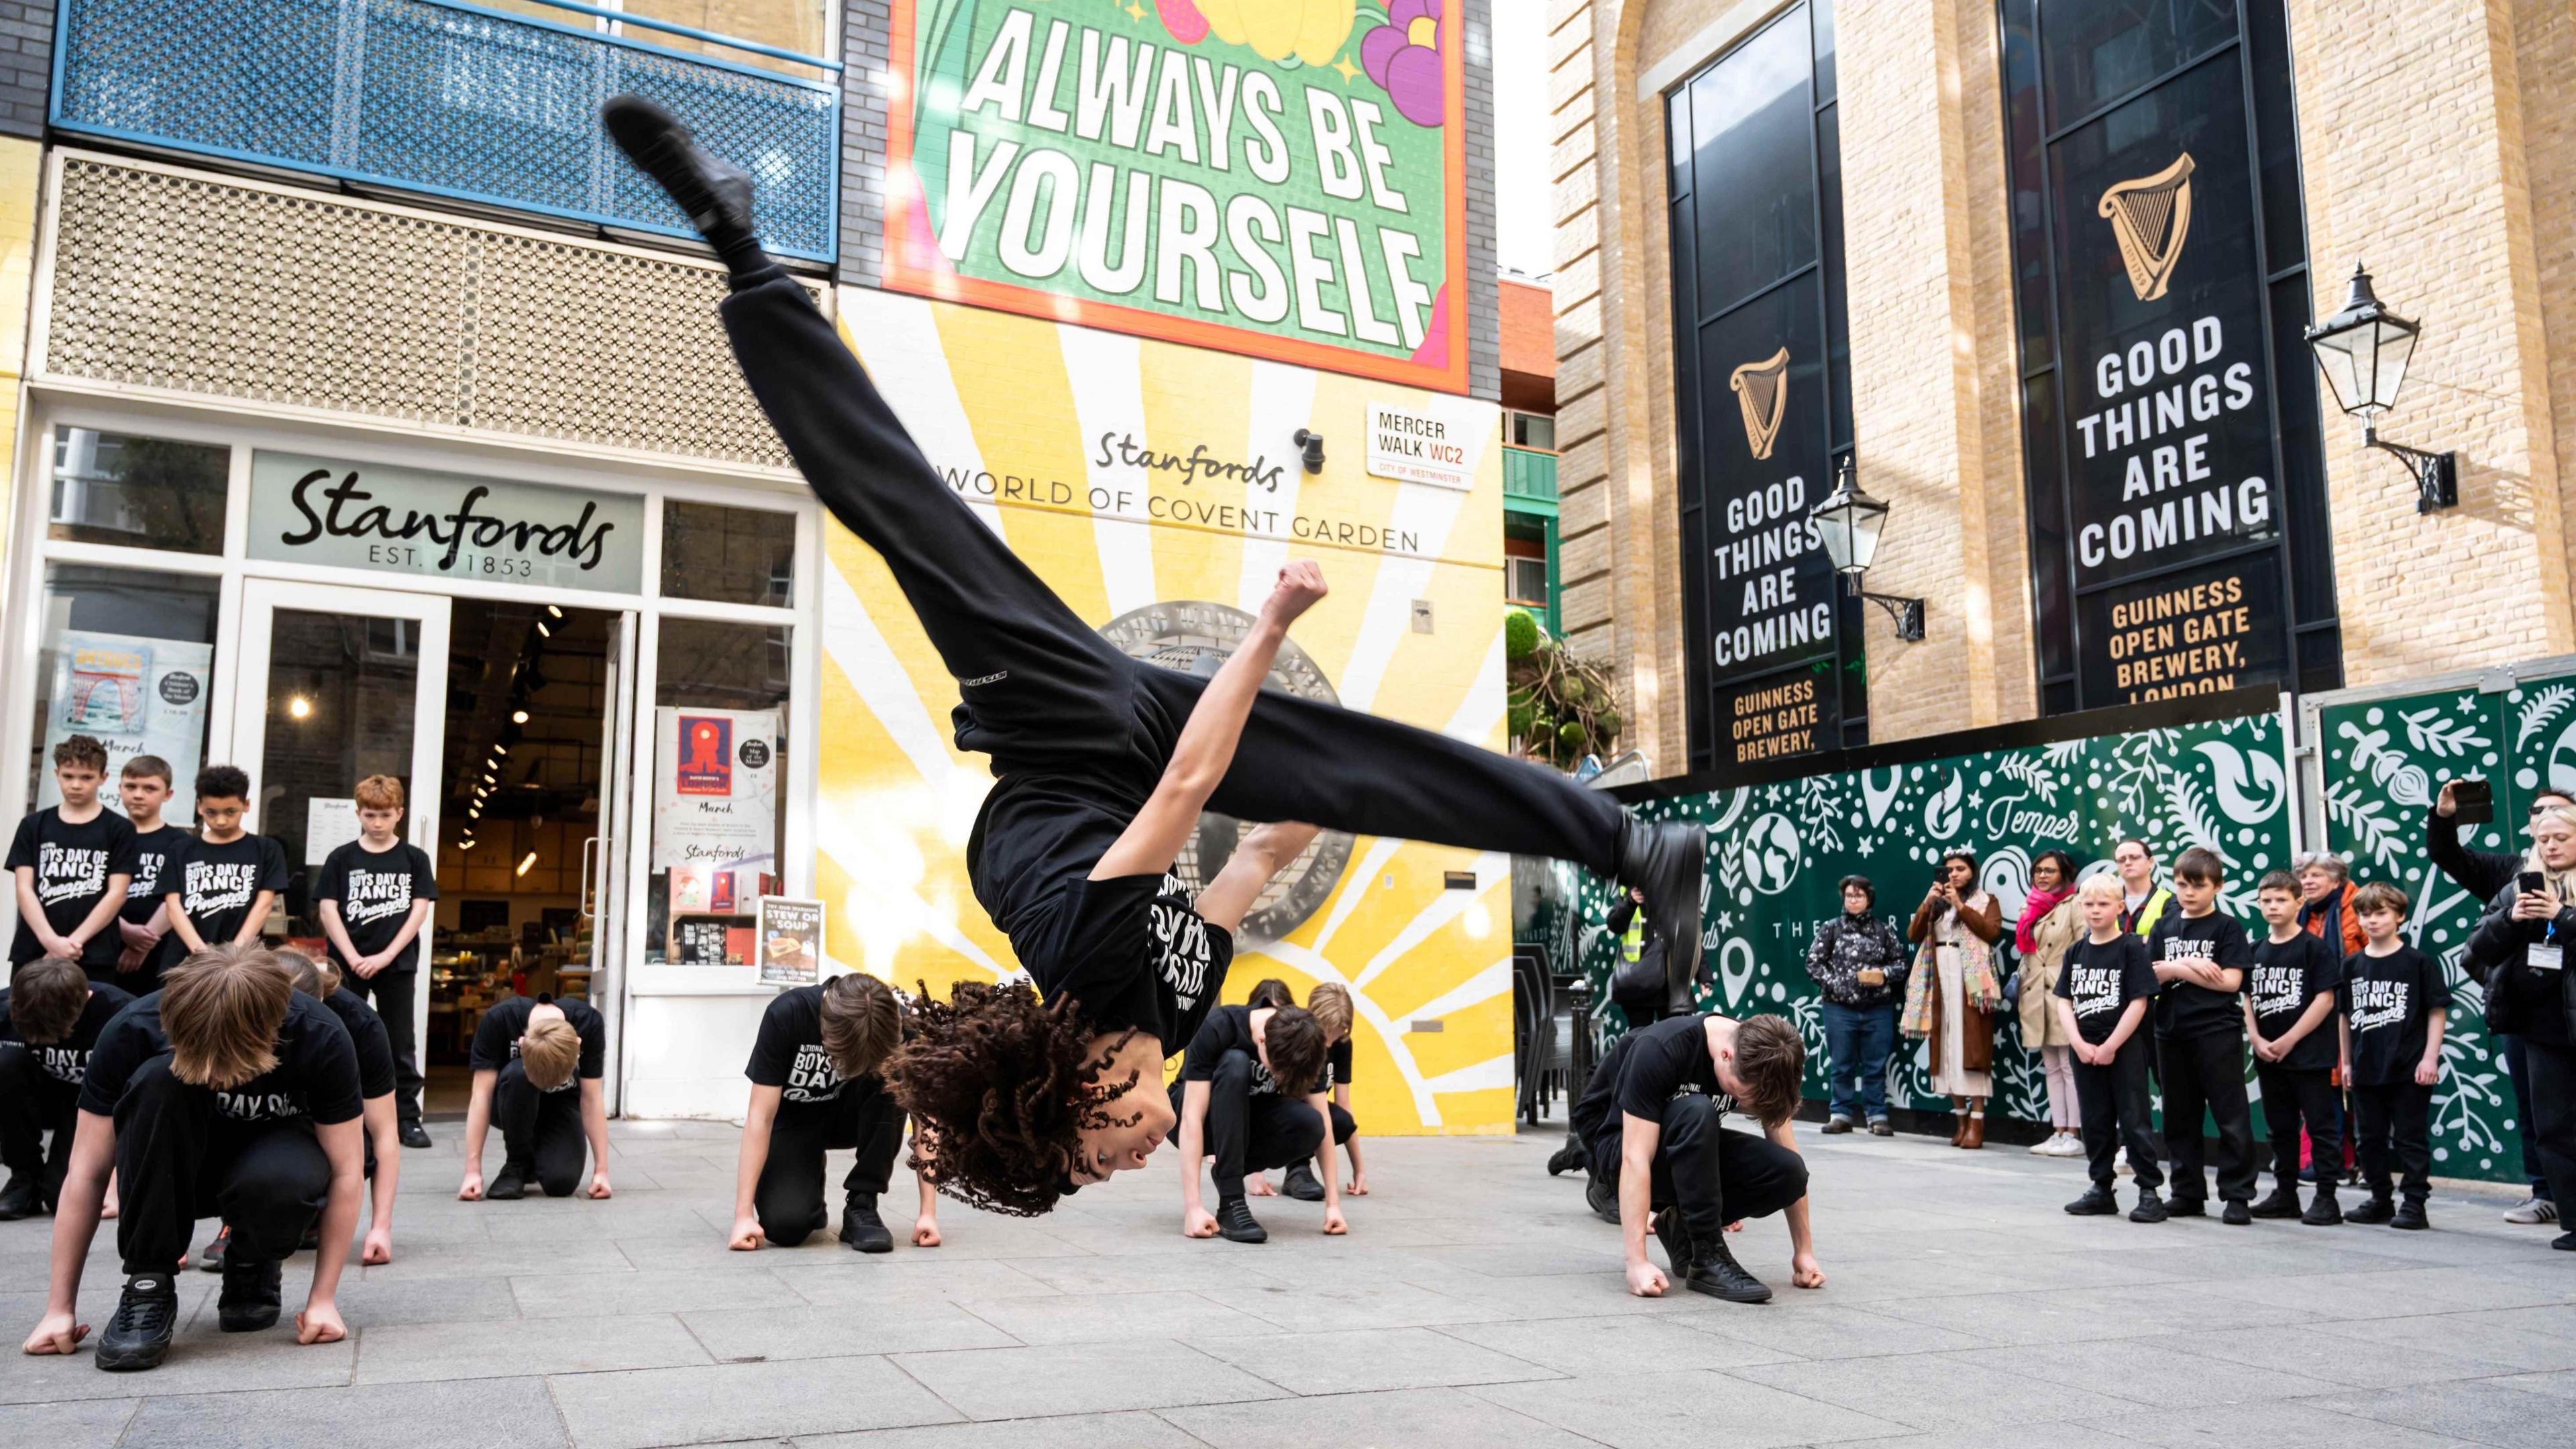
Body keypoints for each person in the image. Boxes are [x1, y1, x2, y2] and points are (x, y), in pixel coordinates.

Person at [605, 98, 1710, 1218]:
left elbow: (1190, 783)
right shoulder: (1175, 1022)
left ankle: (738, 247)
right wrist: (1332, 777)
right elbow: (1251, 865)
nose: (1127, 1163)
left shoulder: (1089, 966)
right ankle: (1636, 843)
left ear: (1073, 1095)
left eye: (1098, 1155)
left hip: (1054, 719)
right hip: (1125, 747)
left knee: (895, 513)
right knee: (1375, 772)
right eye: (1117, 1170)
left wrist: (1273, 630)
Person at [20, 943, 364, 1372]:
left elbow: (349, 1171)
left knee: (282, 1179)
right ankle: (150, 1285)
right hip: (172, 1165)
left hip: (270, 1164)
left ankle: (252, 1262)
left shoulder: (320, 1035)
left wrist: (323, 1301)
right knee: (154, 1080)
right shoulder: (132, 1030)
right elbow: (86, 1173)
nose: (218, 1078)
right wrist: (58, 1309)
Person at [1569, 1012, 1817, 1302]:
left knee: (1789, 1173)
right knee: (1697, 1111)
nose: (1747, 1105)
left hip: (1688, 1149)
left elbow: (1790, 1154)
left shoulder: (1764, 1060)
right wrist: (1636, 1263)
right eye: (1743, 1096)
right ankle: (1707, 1256)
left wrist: (1804, 1252)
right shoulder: (1662, 1048)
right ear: (1726, 1055)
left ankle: (1679, 1226)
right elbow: (1635, 1158)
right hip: (1621, 1148)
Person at [2430, 777, 2571, 1226]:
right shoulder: (2515, 873)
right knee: (2539, 1111)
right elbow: (2450, 858)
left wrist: (2561, 917)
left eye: (2559, 822)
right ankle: (2547, 1193)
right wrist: (2444, 817)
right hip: (2530, 1016)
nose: (2548, 834)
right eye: (2539, 820)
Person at [729, 972, 938, 1253]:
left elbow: (926, 1119)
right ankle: (808, 1180)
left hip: (854, 1118)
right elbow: (760, 1118)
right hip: (796, 1122)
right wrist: (743, 1217)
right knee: (786, 1227)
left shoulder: (896, 1024)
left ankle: (863, 1202)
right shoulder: (788, 1014)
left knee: (896, 1079)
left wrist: (928, 1214)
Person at [2465, 803, 2576, 1251]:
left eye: (2561, 839)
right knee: (2553, 1127)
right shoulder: (2518, 888)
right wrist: (2510, 920)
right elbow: (2474, 952)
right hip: (2541, 1029)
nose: (2550, 847)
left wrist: (2562, 915)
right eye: (2543, 840)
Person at [313, 775, 437, 1149]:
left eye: (385, 815)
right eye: (370, 815)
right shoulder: (342, 857)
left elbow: (419, 911)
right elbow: (327, 908)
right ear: (358, 813)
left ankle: (407, 1119)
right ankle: (344, 1115)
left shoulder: (414, 859)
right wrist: (351, 956)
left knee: (400, 1040)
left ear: (399, 813)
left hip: (396, 964)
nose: (377, 823)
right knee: (344, 1035)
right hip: (347, 964)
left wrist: (385, 956)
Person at [2145, 846, 2257, 1224]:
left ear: (2218, 887)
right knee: (2178, 1117)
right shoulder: (2164, 926)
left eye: (2198, 885)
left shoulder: (2227, 928)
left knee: (2231, 1115)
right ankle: (2187, 1192)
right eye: (2181, 885)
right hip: (2171, 1031)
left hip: (2216, 1031)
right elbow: (2152, 976)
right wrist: (2189, 965)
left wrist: (2175, 968)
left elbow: (2230, 981)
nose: (2188, 892)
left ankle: (2238, 1195)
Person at [1172, 998, 1344, 1243]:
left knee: (1311, 1124)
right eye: (1276, 1069)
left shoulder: (1306, 1040)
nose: (1277, 1077)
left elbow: (1324, 1122)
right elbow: (1191, 1118)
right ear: (1262, 1040)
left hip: (1247, 1119)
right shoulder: (1217, 1027)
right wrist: (1193, 1209)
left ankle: (1227, 1171)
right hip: (1192, 1115)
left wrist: (1333, 1206)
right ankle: (1232, 1201)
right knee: (1235, 1062)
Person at [270, 949, 402, 1266]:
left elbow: (384, 1132)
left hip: (330, 1123)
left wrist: (380, 1228)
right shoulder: (242, 1006)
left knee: (359, 1146)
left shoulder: (360, 1024)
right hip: (263, 1117)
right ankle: (234, 1224)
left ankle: (316, 1210)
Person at [2055, 873, 2165, 1222]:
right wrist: (2078, 1043)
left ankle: (2149, 1192)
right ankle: (2101, 1187)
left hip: (2123, 1046)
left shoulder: (2131, 947)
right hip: (2084, 1048)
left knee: (2134, 1118)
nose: (2095, 911)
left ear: (2120, 907)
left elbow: (2139, 1001)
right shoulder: (2076, 951)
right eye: (2088, 904)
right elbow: (2064, 1001)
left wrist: (2111, 1045)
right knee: (2095, 1120)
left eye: (2103, 904)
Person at [2341, 883, 2447, 1231]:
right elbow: (2344, 1016)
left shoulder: (2417, 962)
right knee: (2368, 1138)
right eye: (2365, 914)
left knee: (2410, 1137)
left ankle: (2415, 1203)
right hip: (2366, 1065)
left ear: (2400, 916)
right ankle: (2380, 1199)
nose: (2372, 920)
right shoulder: (2352, 965)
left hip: (2409, 1066)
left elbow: (2436, 1011)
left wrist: (2430, 1058)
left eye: (2381, 912)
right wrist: (2346, 1062)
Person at [2243, 870, 2345, 1226]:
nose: (2273, 906)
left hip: (2309, 1055)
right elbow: (2246, 998)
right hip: (2269, 1056)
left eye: (2281, 900)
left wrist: (2290, 1039)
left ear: (2299, 902)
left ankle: (2327, 1197)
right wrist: (2256, 1038)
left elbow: (2325, 999)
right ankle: (2285, 1194)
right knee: (2280, 1128)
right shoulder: (2254, 950)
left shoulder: (2314, 948)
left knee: (2320, 1126)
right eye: (2267, 900)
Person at [0, 957, 133, 1218]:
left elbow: (138, 1098)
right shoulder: (8, 1008)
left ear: (87, 999)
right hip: (35, 1098)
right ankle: (23, 1180)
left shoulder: (122, 1014)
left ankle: (48, 1184)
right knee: (5, 1063)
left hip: (91, 1105)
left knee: (62, 1196)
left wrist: (118, 1179)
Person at [459, 993, 610, 1202]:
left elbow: (592, 1099)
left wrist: (601, 1171)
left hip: (560, 1104)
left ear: (578, 1045)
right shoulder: (499, 1019)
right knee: (518, 1075)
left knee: (561, 1183)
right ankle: (517, 1163)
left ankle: (538, 1155)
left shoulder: (589, 1022)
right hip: (511, 1101)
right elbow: (480, 1097)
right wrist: (472, 1172)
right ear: (522, 1044)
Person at [9, 735, 136, 984]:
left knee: (92, 1022)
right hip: (35, 949)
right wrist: (51, 942)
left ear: (103, 777)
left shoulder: (119, 828)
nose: (76, 785)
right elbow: (24, 888)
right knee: (26, 1020)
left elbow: (117, 894)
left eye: (86, 777)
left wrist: (72, 944)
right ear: (56, 774)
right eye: (68, 776)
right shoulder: (33, 825)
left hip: (93, 952)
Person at [1904, 851, 2002, 1149]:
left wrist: (1960, 906)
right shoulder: (1935, 903)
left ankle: (1977, 1123)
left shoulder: (1986, 900)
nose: (1955, 874)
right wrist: (1927, 902)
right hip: (1937, 974)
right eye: (1949, 870)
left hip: (1970, 979)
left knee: (1971, 1047)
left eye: (1961, 869)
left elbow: (1991, 932)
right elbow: (1913, 934)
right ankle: (1960, 1121)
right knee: (1945, 1046)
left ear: (1973, 872)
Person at [156, 765, 287, 975]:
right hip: (186, 959)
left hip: (243, 961)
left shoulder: (266, 849)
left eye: (230, 812)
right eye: (211, 812)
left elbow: (264, 904)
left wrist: (235, 952)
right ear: (199, 806)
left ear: (246, 805)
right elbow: (173, 906)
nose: (220, 820)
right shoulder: (180, 849)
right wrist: (201, 952)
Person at [1802, 875, 1906, 1136]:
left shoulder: (1883, 930)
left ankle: (1877, 1115)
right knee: (1842, 1064)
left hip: (1878, 1008)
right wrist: (1835, 984)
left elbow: (1901, 964)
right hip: (1839, 1008)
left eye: (1858, 896)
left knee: (1875, 1065)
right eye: (1849, 896)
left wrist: (1884, 975)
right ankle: (1840, 1114)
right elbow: (1813, 963)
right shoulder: (1831, 928)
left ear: (1868, 898)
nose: (1853, 900)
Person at [2013, 849, 2086, 1157]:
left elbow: (2085, 949)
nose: (2042, 876)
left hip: (2063, 992)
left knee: (2070, 1066)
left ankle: (2075, 1133)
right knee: (2051, 1066)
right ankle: (2058, 1130)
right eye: (2038, 870)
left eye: (2050, 871)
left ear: (2065, 875)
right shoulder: (2029, 905)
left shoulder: (2076, 904)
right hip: (2035, 993)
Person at [111, 756, 187, 989]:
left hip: (162, 952)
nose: (138, 794)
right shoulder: (107, 836)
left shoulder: (180, 842)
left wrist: (143, 944)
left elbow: (180, 896)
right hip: (109, 945)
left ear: (168, 794)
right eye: (131, 786)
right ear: (120, 788)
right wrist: (123, 930)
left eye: (150, 788)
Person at [1307, 982, 1366, 1197]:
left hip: (1315, 1112)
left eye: (1339, 1031)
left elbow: (1343, 1103)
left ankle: (1301, 1164)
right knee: (1306, 1115)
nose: (1330, 1042)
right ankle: (1296, 1169)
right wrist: (1256, 1174)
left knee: (1342, 1121)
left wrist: (1359, 1170)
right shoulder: (1297, 1036)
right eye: (1327, 1033)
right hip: (1286, 1115)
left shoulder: (1342, 1043)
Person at [2296, 852, 2368, 959]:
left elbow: (2381, 952)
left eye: (2316, 875)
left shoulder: (2360, 907)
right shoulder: (2298, 911)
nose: (2308, 882)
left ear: (2336, 882)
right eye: (2303, 877)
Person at [2111, 839, 2171, 936]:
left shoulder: (2170, 901)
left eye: (2134, 857)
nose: (2127, 863)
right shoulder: (2107, 901)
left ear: (2151, 862)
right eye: (2121, 860)